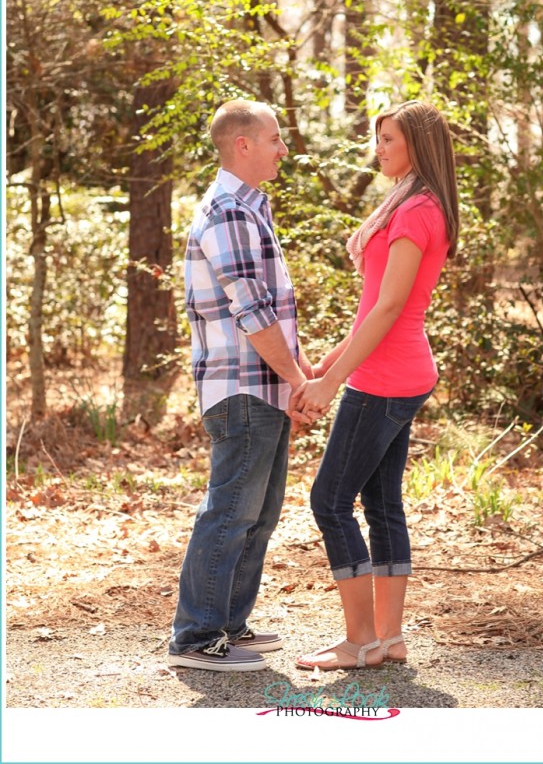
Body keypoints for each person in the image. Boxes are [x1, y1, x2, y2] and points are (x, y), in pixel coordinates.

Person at [290, 100, 459, 671]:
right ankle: (388, 639)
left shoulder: (416, 212)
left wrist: (331, 382)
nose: (379, 149)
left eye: (389, 139)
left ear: (418, 145)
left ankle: (360, 639)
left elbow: (389, 310)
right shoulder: (409, 202)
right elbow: (372, 311)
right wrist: (325, 366)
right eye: (378, 138)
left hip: (386, 378)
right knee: (382, 503)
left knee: (330, 501)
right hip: (395, 371)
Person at [168, 99, 312, 672]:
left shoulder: (250, 209)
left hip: (263, 386)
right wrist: (300, 380)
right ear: (243, 145)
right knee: (230, 510)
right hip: (243, 388)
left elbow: (268, 310)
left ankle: (228, 624)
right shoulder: (228, 210)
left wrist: (296, 378)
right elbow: (251, 311)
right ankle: (197, 638)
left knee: (259, 511)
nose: (284, 149)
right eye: (275, 139)